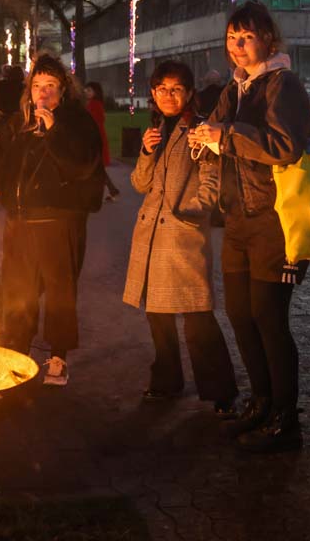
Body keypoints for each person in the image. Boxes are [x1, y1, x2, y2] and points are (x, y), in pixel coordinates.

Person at [189, 0, 310, 453]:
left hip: (274, 219)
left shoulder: (283, 85)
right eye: (231, 37)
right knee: (241, 316)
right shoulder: (237, 88)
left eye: (246, 37)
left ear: (267, 39)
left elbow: (284, 147)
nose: (237, 46)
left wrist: (224, 137)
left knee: (269, 318)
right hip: (238, 219)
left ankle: (286, 415)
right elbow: (218, 131)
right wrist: (204, 137)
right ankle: (261, 402)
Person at [123, 61, 238, 413]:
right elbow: (140, 184)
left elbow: (211, 180)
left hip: (181, 235)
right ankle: (166, 380)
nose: (167, 96)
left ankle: (221, 392)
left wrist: (190, 214)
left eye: (175, 89)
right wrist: (145, 151)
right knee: (158, 316)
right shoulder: (156, 128)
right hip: (151, 237)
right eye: (161, 89)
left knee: (197, 315)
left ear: (189, 93)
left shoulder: (199, 130)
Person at [0, 54, 102, 386]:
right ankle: (18, 351)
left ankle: (58, 356)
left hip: (59, 220)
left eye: (50, 86)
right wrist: (2, 193)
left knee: (59, 291)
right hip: (21, 220)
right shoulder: (19, 122)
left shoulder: (76, 121)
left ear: (64, 89)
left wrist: (54, 132)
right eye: (37, 86)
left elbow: (82, 166)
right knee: (18, 290)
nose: (43, 93)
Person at [84, 82, 121, 202]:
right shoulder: (92, 104)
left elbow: (94, 121)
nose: (86, 92)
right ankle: (112, 191)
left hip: (95, 139)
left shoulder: (95, 105)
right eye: (86, 90)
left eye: (89, 90)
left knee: (95, 169)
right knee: (97, 169)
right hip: (94, 138)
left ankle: (99, 194)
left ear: (96, 92)